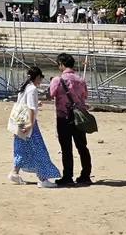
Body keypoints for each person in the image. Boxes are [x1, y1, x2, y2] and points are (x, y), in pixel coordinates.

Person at [8, 66, 62, 188]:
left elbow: (24, 104)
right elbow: (31, 108)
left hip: (19, 122)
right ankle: (43, 179)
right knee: (39, 150)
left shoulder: (25, 87)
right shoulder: (32, 89)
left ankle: (15, 172)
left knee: (21, 149)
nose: (41, 81)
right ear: (37, 77)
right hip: (29, 124)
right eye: (41, 78)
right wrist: (31, 124)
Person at [47, 53, 93, 187]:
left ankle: (68, 176)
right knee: (82, 147)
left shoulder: (57, 80)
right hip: (79, 116)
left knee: (66, 148)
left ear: (61, 64)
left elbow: (50, 94)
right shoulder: (81, 80)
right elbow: (85, 96)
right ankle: (86, 175)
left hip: (63, 117)